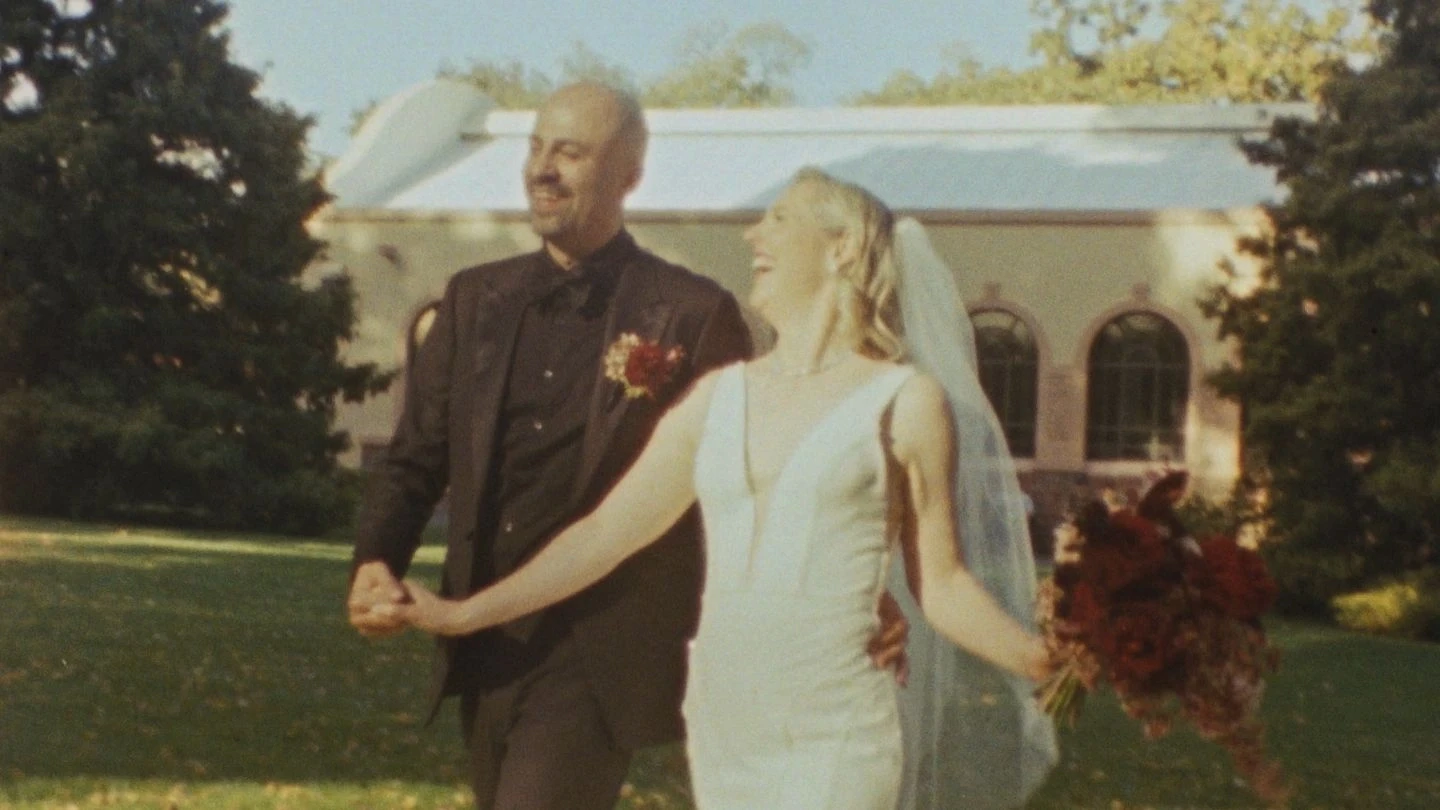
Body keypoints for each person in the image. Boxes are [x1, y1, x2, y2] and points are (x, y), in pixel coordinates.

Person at [377, 167, 1057, 810]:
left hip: (836, 722)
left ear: (841, 248)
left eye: (779, 219)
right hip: (727, 721)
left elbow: (942, 584)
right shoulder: (719, 396)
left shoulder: (906, 402)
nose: (752, 236)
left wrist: (1044, 658)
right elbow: (605, 534)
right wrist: (462, 615)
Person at [345, 84, 904, 810]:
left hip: (598, 651)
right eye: (536, 147)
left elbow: (752, 476)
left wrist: (862, 592)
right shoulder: (472, 298)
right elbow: (415, 457)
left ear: (629, 177)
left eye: (570, 152)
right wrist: (374, 564)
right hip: (481, 637)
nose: (543, 168)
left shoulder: (692, 314)